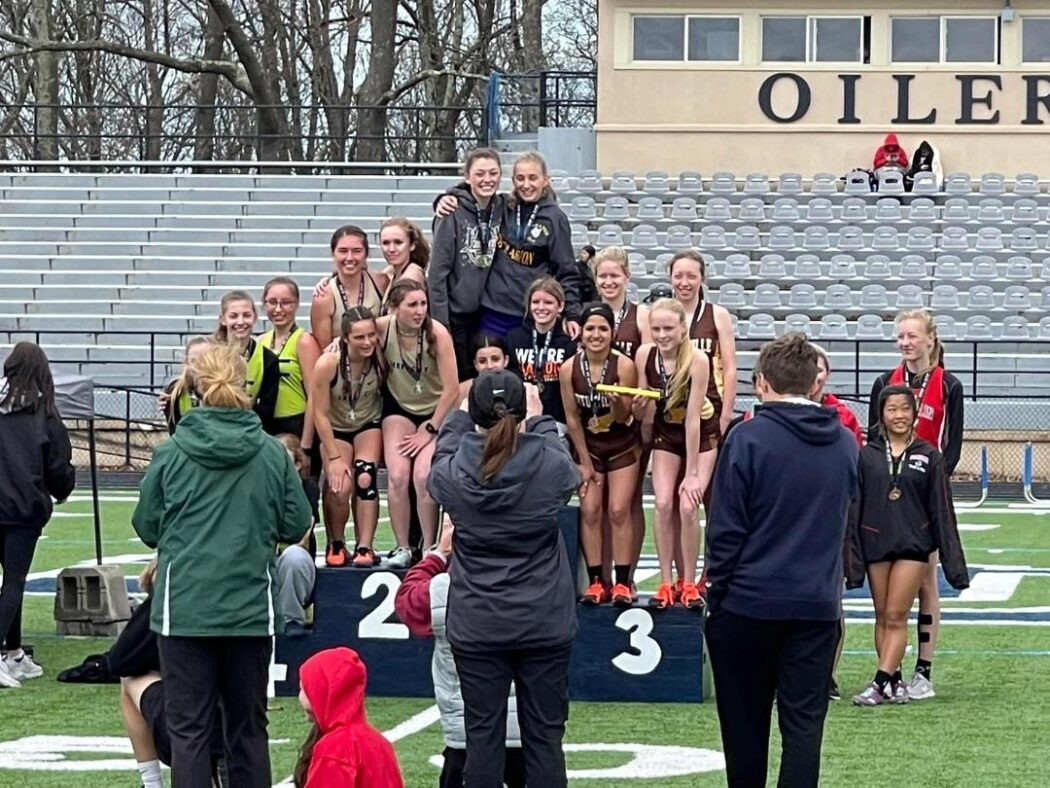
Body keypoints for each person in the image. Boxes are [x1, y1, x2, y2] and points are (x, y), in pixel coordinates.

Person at [132, 341, 311, 786]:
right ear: (244, 384)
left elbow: (147, 525)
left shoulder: (172, 452)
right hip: (248, 609)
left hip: (185, 608)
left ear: (192, 388)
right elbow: (297, 522)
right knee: (248, 730)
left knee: (189, 731)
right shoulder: (270, 452)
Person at [704, 333, 859, 788]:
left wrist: (718, 592)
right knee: (804, 732)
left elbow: (727, 529)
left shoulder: (748, 437)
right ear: (815, 383)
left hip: (749, 603)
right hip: (816, 604)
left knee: (745, 732)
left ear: (762, 383)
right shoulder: (845, 443)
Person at [427, 369, 580, 788]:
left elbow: (437, 468)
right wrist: (541, 419)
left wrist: (458, 420)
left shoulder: (457, 469)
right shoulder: (546, 462)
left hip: (479, 620)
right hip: (543, 617)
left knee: (482, 741)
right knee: (545, 741)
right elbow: (567, 471)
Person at [848, 385, 969, 707]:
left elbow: (942, 510)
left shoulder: (930, 455)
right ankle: (895, 681)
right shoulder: (867, 455)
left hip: (914, 546)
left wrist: (953, 561)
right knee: (882, 615)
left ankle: (878, 682)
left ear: (914, 412)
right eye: (892, 409)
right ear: (881, 414)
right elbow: (855, 505)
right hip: (876, 543)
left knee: (897, 613)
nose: (899, 415)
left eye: (905, 408)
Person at [868, 309, 964, 700]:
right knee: (889, 588)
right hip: (888, 495)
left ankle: (923, 669)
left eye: (912, 336)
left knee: (925, 581)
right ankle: (890, 673)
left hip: (925, 495)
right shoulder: (884, 382)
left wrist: (929, 483)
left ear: (929, 339)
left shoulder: (949, 384)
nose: (906, 343)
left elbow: (953, 446)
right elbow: (873, 439)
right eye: (901, 337)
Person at [394, 518, 526, 788]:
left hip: (466, 735)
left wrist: (438, 554)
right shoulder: (534, 584)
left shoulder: (444, 588)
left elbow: (406, 599)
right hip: (526, 732)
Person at [437, 151, 583, 339]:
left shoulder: (555, 218)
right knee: (488, 366)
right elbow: (472, 194)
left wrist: (572, 313)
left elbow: (567, 270)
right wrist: (446, 197)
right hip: (491, 311)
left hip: (529, 314)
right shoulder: (503, 206)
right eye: (520, 178)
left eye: (533, 178)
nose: (526, 185)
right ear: (513, 180)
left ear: (545, 180)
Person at [0, 342, 76, 689]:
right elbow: (58, 467)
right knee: (14, 580)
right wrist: (61, 489)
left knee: (8, 583)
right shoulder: (44, 412)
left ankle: (13, 653)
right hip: (23, 508)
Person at [635, 298, 714, 610]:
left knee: (688, 504)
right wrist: (638, 408)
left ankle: (689, 581)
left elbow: (693, 418)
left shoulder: (697, 359)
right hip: (666, 432)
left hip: (699, 434)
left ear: (684, 329)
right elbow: (646, 408)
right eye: (656, 328)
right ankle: (666, 582)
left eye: (669, 328)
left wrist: (693, 473)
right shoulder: (645, 355)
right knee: (664, 502)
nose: (662, 334)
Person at [560, 303, 641, 607]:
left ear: (613, 332)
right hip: (589, 448)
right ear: (581, 331)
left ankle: (621, 581)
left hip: (621, 444)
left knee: (619, 510)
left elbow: (625, 417)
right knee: (591, 509)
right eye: (590, 328)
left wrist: (618, 401)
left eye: (603, 329)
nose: (596, 335)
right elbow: (571, 418)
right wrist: (582, 462)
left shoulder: (624, 366)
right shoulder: (570, 368)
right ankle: (596, 581)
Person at [377, 280, 459, 565]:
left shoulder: (437, 333)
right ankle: (402, 548)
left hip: (436, 409)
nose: (419, 310)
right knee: (398, 474)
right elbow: (353, 333)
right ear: (393, 308)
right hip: (399, 407)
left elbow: (452, 389)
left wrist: (431, 428)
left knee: (423, 475)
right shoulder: (382, 328)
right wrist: (340, 340)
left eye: (423, 303)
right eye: (412, 305)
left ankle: (428, 546)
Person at [593, 245, 652, 586]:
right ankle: (599, 573)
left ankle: (625, 574)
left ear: (627, 277)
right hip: (597, 419)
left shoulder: (640, 315)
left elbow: (646, 364)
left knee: (627, 502)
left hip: (631, 417)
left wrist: (643, 413)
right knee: (598, 503)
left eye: (615, 275)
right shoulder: (589, 314)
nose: (609, 281)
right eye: (603, 275)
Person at [311, 306, 386, 568]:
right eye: (359, 337)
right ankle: (336, 542)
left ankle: (365, 545)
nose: (367, 342)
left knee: (365, 476)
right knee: (339, 483)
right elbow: (319, 413)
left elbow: (397, 319)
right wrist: (332, 457)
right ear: (344, 338)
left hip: (367, 423)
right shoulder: (328, 364)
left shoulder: (380, 353)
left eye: (371, 335)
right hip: (337, 426)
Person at [428, 148, 505, 381]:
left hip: (487, 311)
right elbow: (437, 274)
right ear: (467, 176)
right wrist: (441, 325)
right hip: (456, 313)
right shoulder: (450, 211)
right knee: (463, 379)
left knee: (487, 377)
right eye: (480, 173)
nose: (487, 180)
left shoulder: (502, 207)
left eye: (493, 173)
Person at [293, 647, 404, 788]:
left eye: (304, 688)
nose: (300, 696)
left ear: (323, 692)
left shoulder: (335, 748)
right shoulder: (379, 742)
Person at [669, 249, 737, 439]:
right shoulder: (659, 315)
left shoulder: (718, 315)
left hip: (710, 407)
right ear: (670, 278)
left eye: (691, 276)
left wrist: (725, 416)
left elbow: (730, 368)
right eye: (678, 276)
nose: (684, 283)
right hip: (670, 410)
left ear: (702, 278)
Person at [505, 277, 578, 424]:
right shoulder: (514, 337)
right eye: (536, 302)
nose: (541, 307)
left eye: (548, 302)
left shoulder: (569, 341)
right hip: (521, 419)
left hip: (558, 421)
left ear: (561, 306)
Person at [260, 277, 321, 441]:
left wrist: (306, 443)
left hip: (295, 423)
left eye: (286, 302)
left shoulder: (304, 341)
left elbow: (314, 396)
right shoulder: (261, 341)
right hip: (267, 423)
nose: (278, 309)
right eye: (272, 302)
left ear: (296, 304)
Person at [212, 289, 281, 433]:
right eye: (233, 316)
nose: (241, 322)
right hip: (212, 429)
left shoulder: (269, 360)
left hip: (249, 432)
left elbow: (266, 410)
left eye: (246, 315)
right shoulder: (208, 353)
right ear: (223, 319)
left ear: (255, 317)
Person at [310, 224, 385, 349]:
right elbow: (324, 349)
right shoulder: (324, 296)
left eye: (357, 251)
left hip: (378, 362)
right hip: (343, 364)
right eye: (343, 251)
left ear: (366, 254)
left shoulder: (381, 282)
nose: (349, 258)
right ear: (333, 253)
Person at [274, 434, 320, 633]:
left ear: (298, 464)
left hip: (291, 559)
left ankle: (291, 619)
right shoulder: (260, 487)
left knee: (294, 557)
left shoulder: (308, 489)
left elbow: (303, 533)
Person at [811, 344, 864, 447]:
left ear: (828, 373)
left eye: (818, 371)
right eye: (808, 370)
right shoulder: (785, 412)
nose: (813, 376)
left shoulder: (844, 415)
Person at [159, 336, 210, 435]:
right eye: (194, 360)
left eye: (205, 359)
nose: (199, 365)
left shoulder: (224, 390)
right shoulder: (174, 390)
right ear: (186, 362)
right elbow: (173, 432)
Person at [378, 216, 430, 304]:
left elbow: (400, 315)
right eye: (386, 243)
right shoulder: (390, 272)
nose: (391, 249)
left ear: (412, 245)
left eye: (398, 242)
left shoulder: (413, 274)